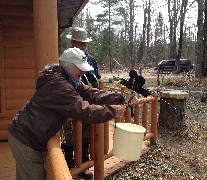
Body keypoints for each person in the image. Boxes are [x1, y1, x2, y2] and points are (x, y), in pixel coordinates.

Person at [8, 47, 137, 180]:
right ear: (68, 67)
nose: (83, 72)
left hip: (27, 134)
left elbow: (91, 93)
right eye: (80, 69)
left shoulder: (67, 79)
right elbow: (84, 110)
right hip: (26, 138)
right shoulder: (59, 85)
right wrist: (113, 111)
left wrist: (120, 98)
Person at [62, 27, 101, 179]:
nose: (82, 46)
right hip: (70, 104)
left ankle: (83, 165)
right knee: (69, 136)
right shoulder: (66, 59)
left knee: (85, 136)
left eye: (84, 43)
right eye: (79, 43)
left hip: (87, 103)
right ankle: (68, 165)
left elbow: (96, 80)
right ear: (72, 42)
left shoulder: (91, 60)